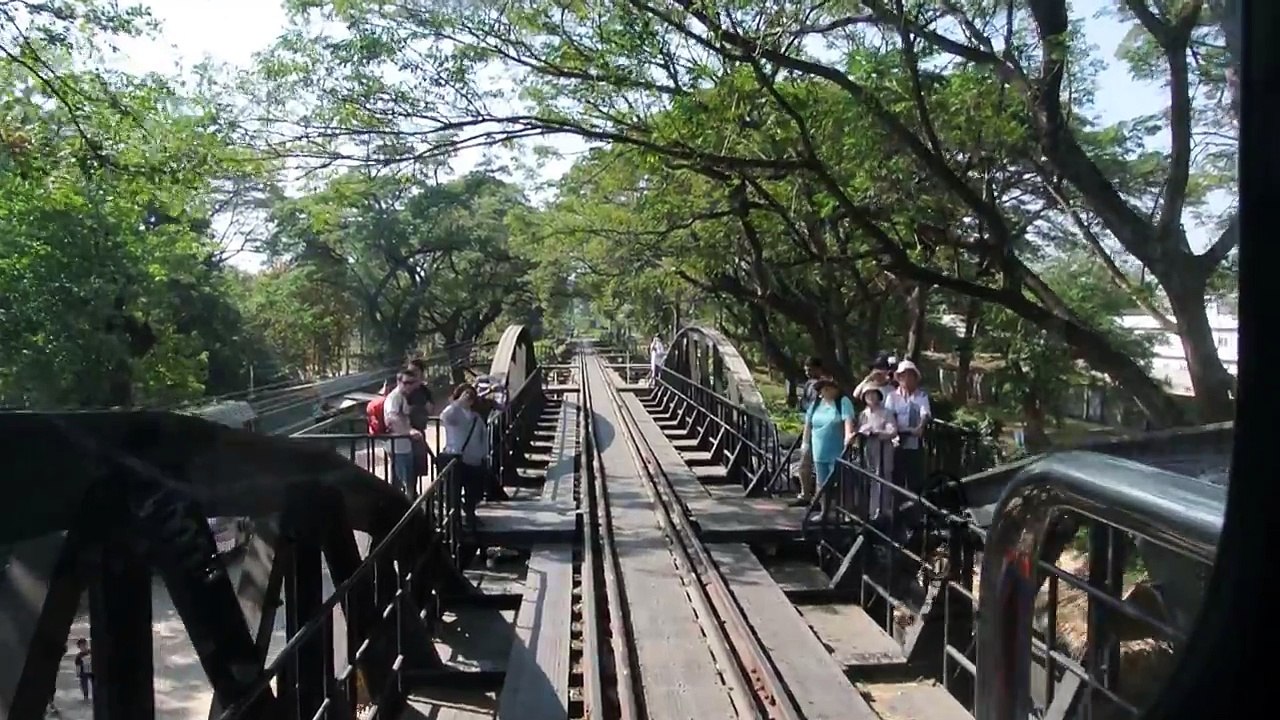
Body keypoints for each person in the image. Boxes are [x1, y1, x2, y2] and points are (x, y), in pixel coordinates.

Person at [800, 379, 856, 515]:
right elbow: (808, 424)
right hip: (819, 449)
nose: (826, 391)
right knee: (821, 482)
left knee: (841, 482)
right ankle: (823, 512)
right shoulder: (815, 404)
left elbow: (848, 421)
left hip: (837, 450)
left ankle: (846, 512)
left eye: (829, 388)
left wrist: (848, 437)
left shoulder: (843, 402)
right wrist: (805, 443)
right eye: (823, 389)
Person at [439, 383, 490, 527]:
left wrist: (484, 454)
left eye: (471, 395)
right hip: (456, 457)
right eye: (465, 394)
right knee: (454, 491)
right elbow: (444, 416)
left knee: (472, 491)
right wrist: (458, 402)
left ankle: (470, 516)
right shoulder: (453, 413)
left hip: (474, 459)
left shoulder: (476, 417)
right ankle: (454, 520)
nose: (468, 398)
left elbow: (483, 437)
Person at [790, 356, 832, 507]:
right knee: (804, 463)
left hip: (822, 429)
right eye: (806, 370)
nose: (807, 372)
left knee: (821, 466)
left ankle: (820, 499)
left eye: (810, 369)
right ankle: (805, 494)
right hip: (809, 425)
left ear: (818, 369)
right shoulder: (808, 384)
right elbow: (804, 404)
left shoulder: (826, 384)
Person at [889, 359, 932, 501]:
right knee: (897, 479)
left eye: (909, 375)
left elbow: (925, 413)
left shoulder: (921, 396)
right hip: (896, 442)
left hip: (914, 443)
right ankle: (897, 509)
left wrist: (920, 427)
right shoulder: (892, 397)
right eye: (903, 375)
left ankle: (915, 510)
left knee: (915, 480)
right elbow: (889, 416)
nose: (906, 379)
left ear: (915, 377)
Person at [857, 386, 898, 520]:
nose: (871, 397)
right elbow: (859, 430)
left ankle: (884, 510)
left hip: (884, 448)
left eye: (873, 394)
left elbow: (892, 431)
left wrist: (877, 432)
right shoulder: (863, 414)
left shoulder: (886, 413)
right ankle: (872, 510)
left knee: (884, 477)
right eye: (867, 395)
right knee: (872, 477)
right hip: (869, 448)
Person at [383, 366, 425, 498]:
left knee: (402, 482)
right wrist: (409, 431)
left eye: (412, 383)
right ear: (398, 382)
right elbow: (392, 418)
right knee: (406, 482)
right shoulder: (394, 397)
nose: (409, 386)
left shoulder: (402, 397)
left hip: (403, 445)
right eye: (406, 382)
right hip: (398, 446)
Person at [407, 358, 435, 474]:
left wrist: (422, 406)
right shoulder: (403, 389)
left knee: (418, 469)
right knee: (405, 470)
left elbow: (430, 409)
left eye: (415, 372)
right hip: (404, 433)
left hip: (419, 433)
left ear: (421, 374)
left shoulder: (424, 391)